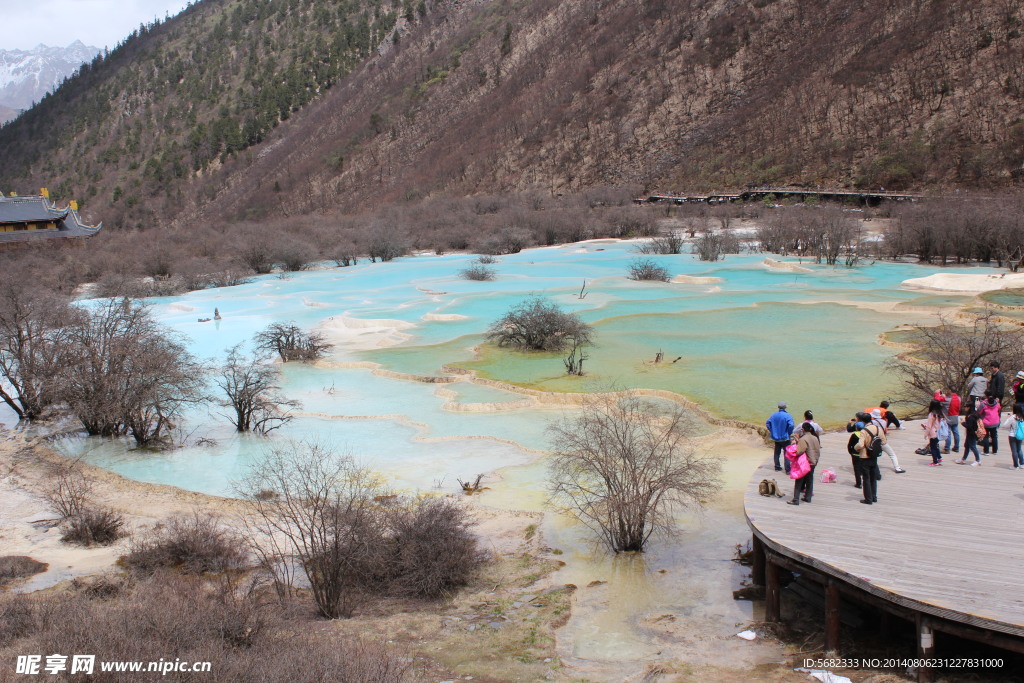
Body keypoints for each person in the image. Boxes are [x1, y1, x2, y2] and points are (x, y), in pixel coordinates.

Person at [788, 422, 820, 505]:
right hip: (814, 462)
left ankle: (795, 500)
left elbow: (799, 451)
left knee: (799, 481)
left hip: (806, 463)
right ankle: (808, 497)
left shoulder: (803, 439)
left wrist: (796, 443)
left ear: (802, 429)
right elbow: (816, 450)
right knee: (809, 480)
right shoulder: (815, 438)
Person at [869, 408, 906, 473]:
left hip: (873, 441)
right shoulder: (884, 421)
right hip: (882, 440)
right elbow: (885, 430)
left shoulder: (871, 422)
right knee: (892, 454)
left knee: (871, 456)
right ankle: (897, 468)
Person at [853, 420, 881, 504]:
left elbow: (860, 445)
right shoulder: (878, 428)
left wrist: (855, 448)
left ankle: (868, 499)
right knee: (873, 478)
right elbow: (883, 441)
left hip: (865, 456)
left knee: (866, 478)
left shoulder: (864, 431)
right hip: (874, 456)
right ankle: (874, 497)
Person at [766, 402, 795, 472]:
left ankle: (777, 467)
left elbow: (767, 423)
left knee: (776, 453)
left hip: (776, 438)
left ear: (778, 407)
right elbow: (791, 425)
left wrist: (772, 431)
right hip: (785, 438)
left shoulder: (773, 415)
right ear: (785, 407)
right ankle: (787, 470)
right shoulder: (788, 415)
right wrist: (789, 432)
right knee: (787, 454)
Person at [921, 399, 944, 466]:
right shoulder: (939, 413)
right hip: (938, 432)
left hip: (933, 433)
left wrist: (926, 434)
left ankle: (935, 462)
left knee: (933, 447)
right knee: (936, 446)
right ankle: (939, 457)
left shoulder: (932, 414)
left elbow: (929, 426)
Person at [1003, 404, 1024, 469]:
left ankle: (1015, 465)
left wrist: (1007, 418)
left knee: (1014, 451)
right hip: (1020, 435)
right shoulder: (1022, 417)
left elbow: (1005, 425)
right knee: (1019, 449)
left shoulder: (1013, 417)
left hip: (1012, 435)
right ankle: (1022, 464)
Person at [942, 389, 961, 454]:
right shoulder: (959, 398)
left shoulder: (947, 399)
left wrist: (942, 396)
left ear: (950, 390)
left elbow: (939, 402)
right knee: (956, 433)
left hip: (948, 418)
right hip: (955, 417)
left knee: (948, 433)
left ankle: (947, 448)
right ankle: (957, 447)